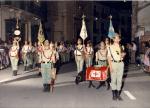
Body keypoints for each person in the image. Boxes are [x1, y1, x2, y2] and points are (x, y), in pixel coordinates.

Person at [107, 33, 126, 101]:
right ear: (113, 39)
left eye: (118, 38)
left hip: (120, 64)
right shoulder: (110, 47)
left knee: (119, 80)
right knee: (113, 80)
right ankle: (114, 95)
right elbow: (109, 57)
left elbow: (122, 55)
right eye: (116, 38)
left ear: (120, 39)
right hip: (113, 64)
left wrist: (123, 55)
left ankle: (118, 95)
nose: (117, 39)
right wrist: (110, 67)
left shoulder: (122, 46)